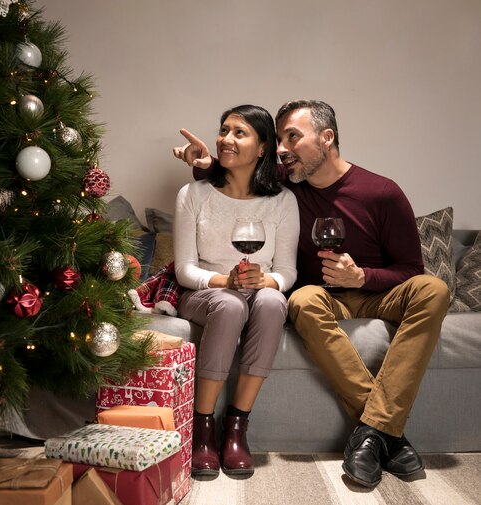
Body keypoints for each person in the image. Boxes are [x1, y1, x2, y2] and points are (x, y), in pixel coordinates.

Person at [173, 99, 450, 488]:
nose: (284, 149)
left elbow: (411, 271)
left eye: (293, 138)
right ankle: (386, 434)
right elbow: (238, 179)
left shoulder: (383, 193)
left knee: (434, 290)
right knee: (300, 300)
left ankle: (375, 430)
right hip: (321, 295)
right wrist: (205, 164)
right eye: (280, 139)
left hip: (376, 292)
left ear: (327, 137)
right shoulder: (287, 185)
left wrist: (363, 277)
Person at [173, 104, 299, 478]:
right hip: (205, 294)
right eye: (223, 130)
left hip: (254, 293)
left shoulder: (282, 201)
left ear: (262, 148)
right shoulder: (193, 194)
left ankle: (236, 429)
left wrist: (267, 282)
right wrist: (224, 282)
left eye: (239, 133)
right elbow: (184, 270)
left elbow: (286, 271)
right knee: (229, 305)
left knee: (275, 301)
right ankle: (202, 430)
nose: (226, 139)